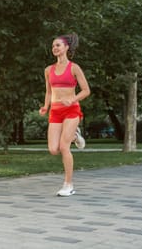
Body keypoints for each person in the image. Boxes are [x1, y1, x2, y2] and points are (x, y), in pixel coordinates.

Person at [39, 33, 90, 196]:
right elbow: (48, 92)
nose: (55, 48)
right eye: (53, 45)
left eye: (58, 45)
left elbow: (86, 90)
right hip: (55, 111)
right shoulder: (48, 70)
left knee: (63, 147)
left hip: (71, 110)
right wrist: (45, 107)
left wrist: (72, 99)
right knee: (53, 149)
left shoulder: (74, 68)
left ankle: (68, 184)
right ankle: (75, 135)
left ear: (66, 47)